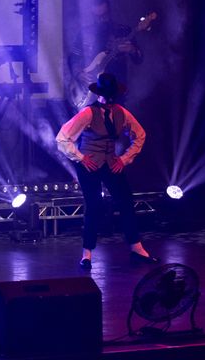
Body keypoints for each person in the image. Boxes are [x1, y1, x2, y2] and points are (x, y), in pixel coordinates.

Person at [55, 73, 157, 270]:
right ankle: (87, 254)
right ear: (100, 95)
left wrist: (124, 159)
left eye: (112, 96)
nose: (110, 101)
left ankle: (136, 248)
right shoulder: (88, 113)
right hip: (89, 164)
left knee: (126, 202)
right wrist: (81, 157)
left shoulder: (121, 113)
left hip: (111, 163)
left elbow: (140, 135)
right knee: (94, 205)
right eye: (106, 96)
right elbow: (62, 138)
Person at [68, 0, 143, 106]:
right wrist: (79, 74)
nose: (101, 19)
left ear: (109, 12)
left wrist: (132, 49)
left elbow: (139, 59)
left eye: (104, 15)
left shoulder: (122, 31)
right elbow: (73, 57)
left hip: (116, 88)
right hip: (91, 88)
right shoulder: (84, 33)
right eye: (97, 17)